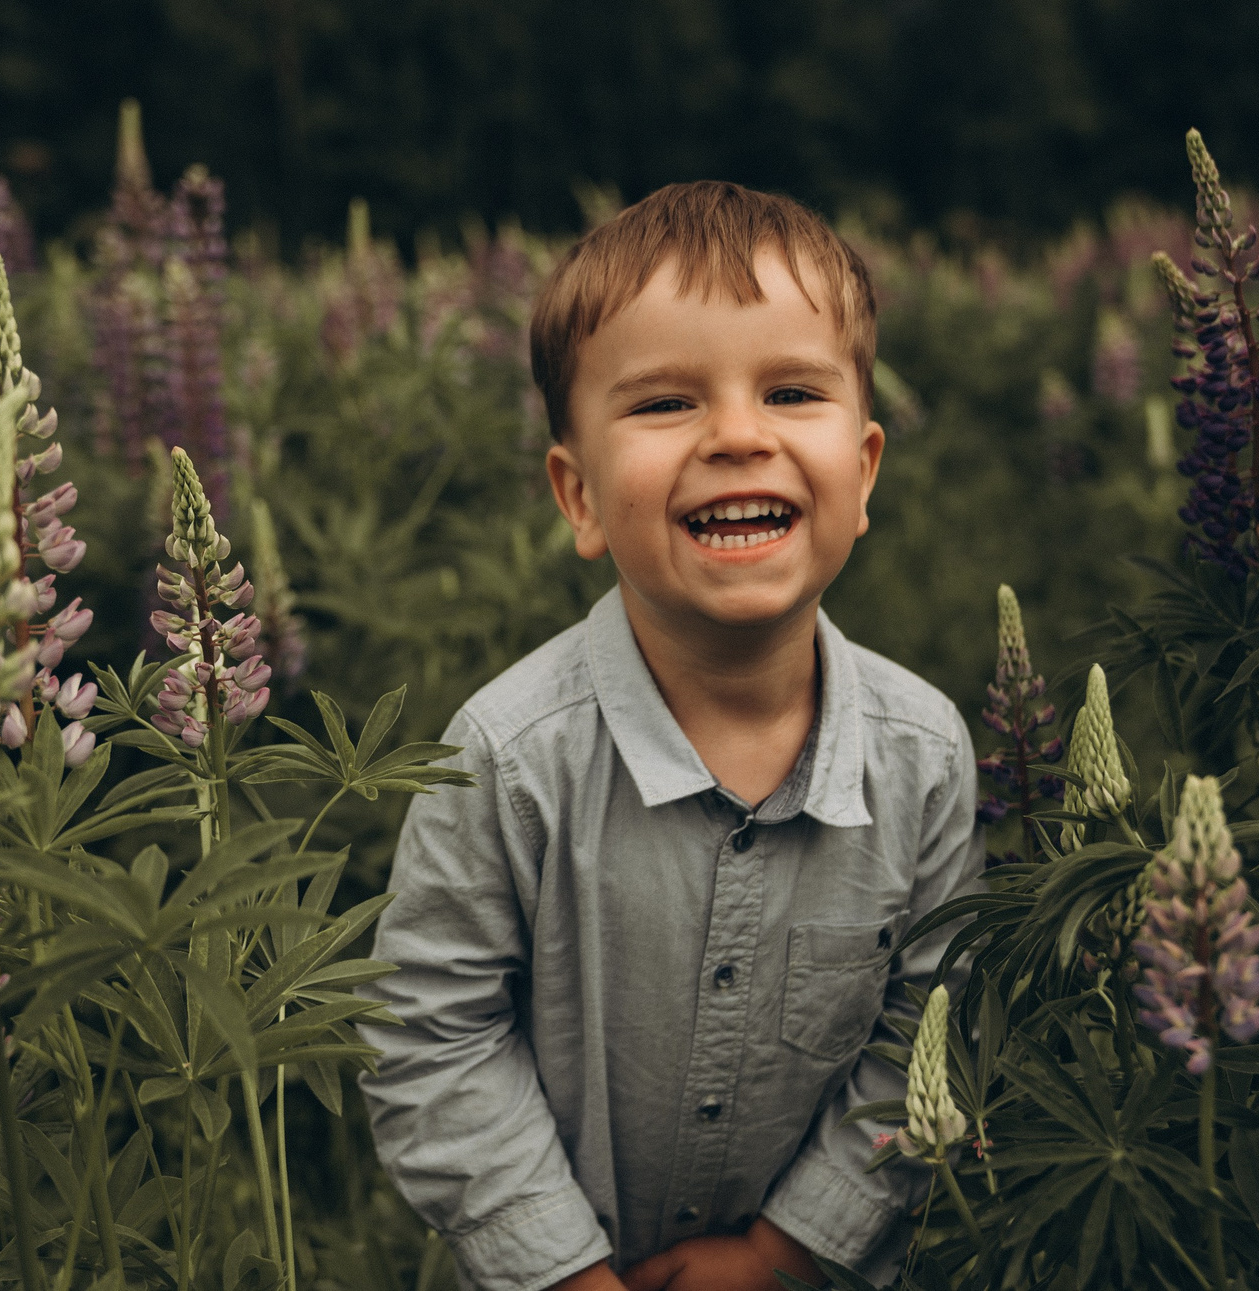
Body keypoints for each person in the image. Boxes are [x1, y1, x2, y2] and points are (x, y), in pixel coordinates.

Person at [360, 181, 982, 1291]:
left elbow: (931, 1027)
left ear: (864, 471)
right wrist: (561, 1269)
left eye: (791, 391)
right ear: (579, 497)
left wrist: (788, 1250)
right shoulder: (506, 755)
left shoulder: (923, 756)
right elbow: (431, 1036)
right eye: (663, 404)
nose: (738, 435)